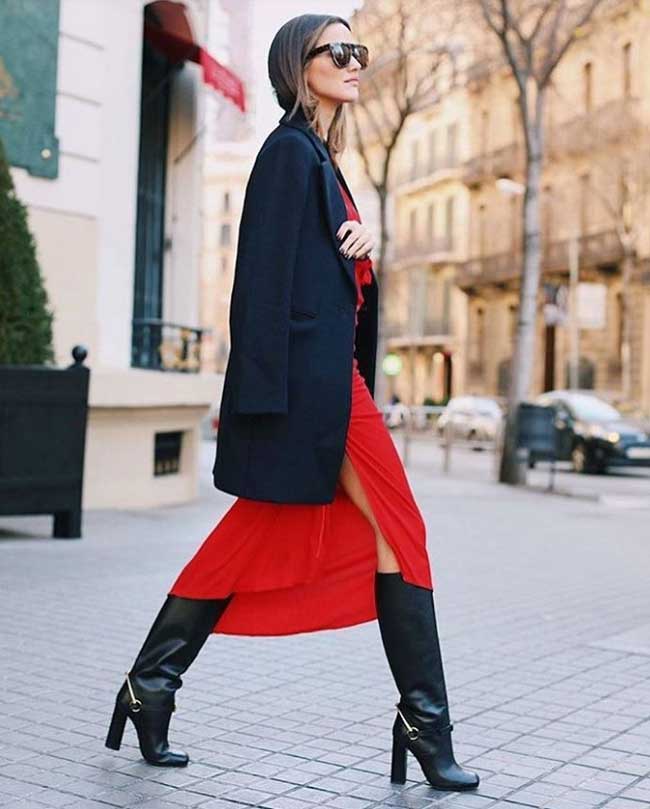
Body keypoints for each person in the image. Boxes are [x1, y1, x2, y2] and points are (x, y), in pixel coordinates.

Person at [105, 13, 479, 793]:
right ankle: (425, 722)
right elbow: (259, 288)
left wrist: (364, 251)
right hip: (312, 392)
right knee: (401, 527)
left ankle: (151, 685)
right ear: (296, 65)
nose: (353, 63)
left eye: (358, 52)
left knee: (262, 533)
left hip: (325, 383)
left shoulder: (321, 159)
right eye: (336, 51)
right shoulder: (287, 152)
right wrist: (264, 405)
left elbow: (328, 283)